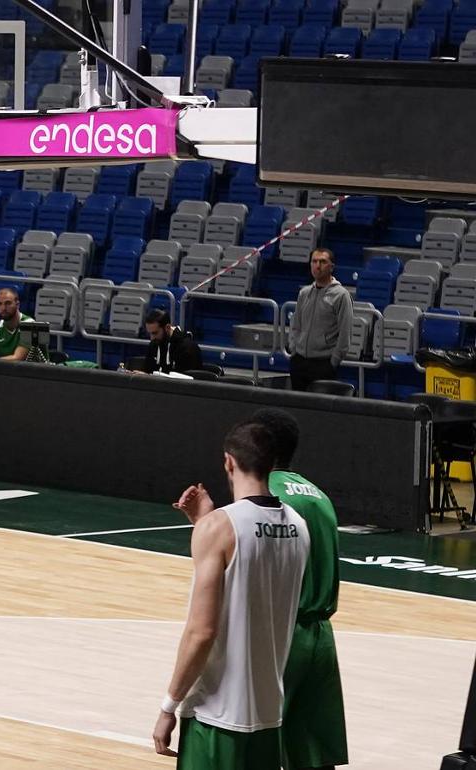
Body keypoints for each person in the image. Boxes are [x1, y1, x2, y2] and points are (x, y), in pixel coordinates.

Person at [152, 421, 311, 769]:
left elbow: (202, 632)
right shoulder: (299, 525)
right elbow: (254, 575)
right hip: (269, 713)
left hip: (216, 715)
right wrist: (205, 523)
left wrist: (168, 706)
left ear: (228, 462)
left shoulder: (220, 528)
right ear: (273, 465)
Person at [252, 408, 349, 770]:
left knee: (256, 747)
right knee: (312, 754)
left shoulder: (265, 496)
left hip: (282, 634)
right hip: (321, 635)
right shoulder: (317, 494)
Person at [288, 248, 353, 392]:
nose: (318, 265)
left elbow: (345, 333)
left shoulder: (341, 295)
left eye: (323, 262)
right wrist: (294, 349)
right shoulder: (304, 293)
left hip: (323, 364)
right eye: (314, 261)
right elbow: (296, 325)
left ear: (332, 267)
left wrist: (333, 362)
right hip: (299, 361)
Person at [143, 309, 204, 375]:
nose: (151, 338)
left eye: (155, 333)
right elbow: (148, 371)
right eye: (149, 333)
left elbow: (187, 381)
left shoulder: (188, 348)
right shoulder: (153, 345)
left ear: (167, 327)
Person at [0, 287, 33, 360]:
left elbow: (17, 358)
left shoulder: (29, 325)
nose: (3, 308)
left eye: (8, 303)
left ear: (17, 305)